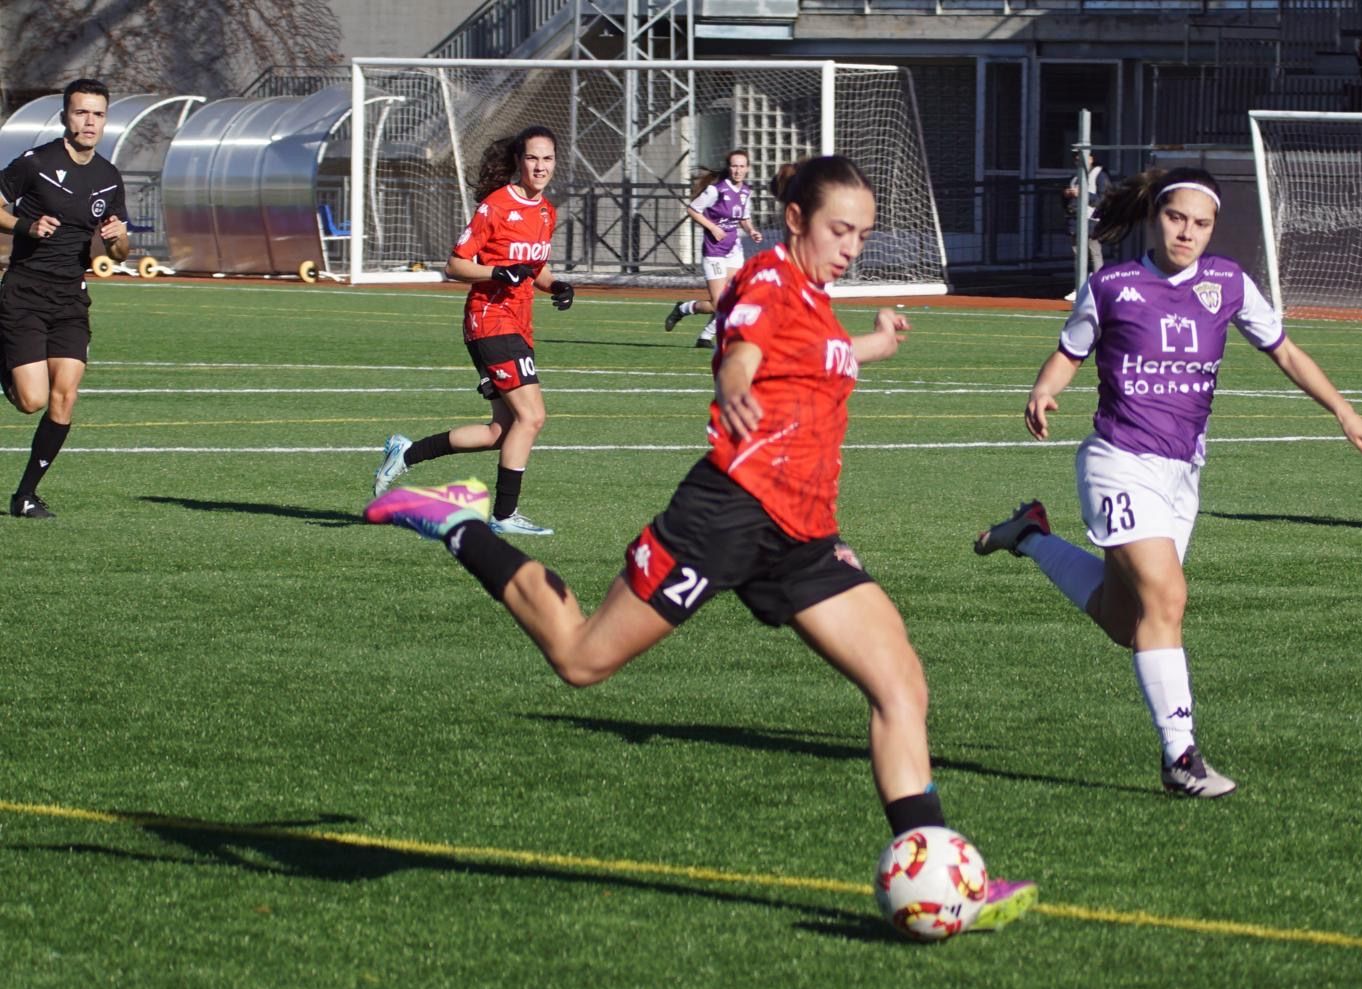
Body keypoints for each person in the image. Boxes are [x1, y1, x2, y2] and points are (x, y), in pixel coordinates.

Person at [367, 155, 1036, 930]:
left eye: (863, 233)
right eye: (840, 229)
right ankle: (459, 522)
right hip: (728, 515)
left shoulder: (815, 301)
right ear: (796, 220)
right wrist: (734, 384)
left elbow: (822, 360)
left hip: (803, 535)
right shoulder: (767, 280)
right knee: (581, 659)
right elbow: (744, 349)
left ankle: (943, 866)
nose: (853, 246)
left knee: (901, 686)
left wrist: (879, 341)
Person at [974, 166, 1362, 797]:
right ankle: (1181, 757)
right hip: (1117, 461)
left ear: (1213, 227)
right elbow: (1069, 351)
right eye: (1176, 218)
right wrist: (1045, 388)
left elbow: (1285, 350)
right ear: (1154, 216)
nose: (1187, 232)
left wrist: (1344, 410)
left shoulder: (1226, 283)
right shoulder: (1112, 285)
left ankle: (1029, 536)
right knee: (1167, 599)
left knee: (1130, 623)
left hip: (1181, 473)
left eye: (1201, 223)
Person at [372, 125, 575, 535]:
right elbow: (456, 264)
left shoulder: (546, 212)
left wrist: (556, 285)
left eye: (547, 159)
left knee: (501, 431)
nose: (540, 166)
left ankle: (407, 453)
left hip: (519, 324)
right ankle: (503, 516)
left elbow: (534, 268)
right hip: (490, 320)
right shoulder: (495, 207)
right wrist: (497, 271)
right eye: (533, 158)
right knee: (533, 417)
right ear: (519, 161)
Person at [0, 78, 128, 520]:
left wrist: (117, 240)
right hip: (25, 292)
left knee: (64, 397)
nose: (88, 121)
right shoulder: (35, 163)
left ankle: (26, 496)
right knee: (30, 401)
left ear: (105, 120)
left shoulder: (109, 177)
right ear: (64, 117)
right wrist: (24, 226)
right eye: (80, 112)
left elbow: (121, 250)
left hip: (71, 299)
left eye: (97, 114)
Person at [664, 149, 763, 349]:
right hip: (714, 252)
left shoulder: (746, 191)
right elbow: (692, 209)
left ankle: (705, 337)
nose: (738, 170)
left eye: (742, 166)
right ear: (729, 168)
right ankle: (684, 308)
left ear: (748, 168)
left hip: (734, 250)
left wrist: (751, 230)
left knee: (735, 299)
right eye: (734, 166)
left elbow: (743, 217)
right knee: (719, 304)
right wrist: (713, 227)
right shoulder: (716, 190)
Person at [1062, 150, 1107, 275]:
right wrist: (1067, 194)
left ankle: (1098, 286)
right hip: (1075, 219)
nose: (1078, 161)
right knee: (1078, 255)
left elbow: (1103, 200)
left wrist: (1083, 194)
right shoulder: (1075, 177)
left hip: (1091, 220)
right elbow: (1067, 201)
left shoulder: (1099, 175)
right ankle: (1080, 287)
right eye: (1076, 159)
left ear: (1092, 159)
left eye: (1082, 158)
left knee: (1094, 252)